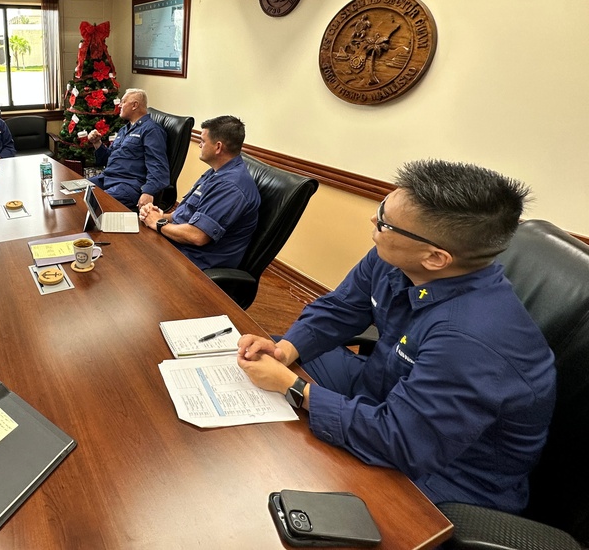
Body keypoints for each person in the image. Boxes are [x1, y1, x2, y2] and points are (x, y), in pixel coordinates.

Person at [236, 160, 556, 514]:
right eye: (382, 208)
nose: (374, 221)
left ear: (435, 257)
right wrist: (284, 351)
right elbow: (340, 308)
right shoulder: (394, 258)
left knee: (289, 483)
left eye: (385, 222)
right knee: (264, 361)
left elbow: (401, 440)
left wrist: (295, 388)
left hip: (444, 471)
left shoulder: (472, 340)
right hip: (382, 389)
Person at [139, 115, 259, 270]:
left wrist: (158, 223)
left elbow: (197, 235)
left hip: (192, 263)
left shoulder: (231, 186)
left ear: (218, 147)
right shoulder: (216, 173)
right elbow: (187, 215)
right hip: (178, 246)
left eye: (202, 141)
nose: (200, 145)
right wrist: (159, 215)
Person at [87, 88, 169, 211]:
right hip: (107, 178)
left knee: (94, 203)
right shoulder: (124, 130)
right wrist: (97, 143)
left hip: (128, 185)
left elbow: (158, 166)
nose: (119, 105)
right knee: (75, 191)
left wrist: (148, 192)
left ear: (135, 105)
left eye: (123, 102)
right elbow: (109, 159)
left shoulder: (151, 130)